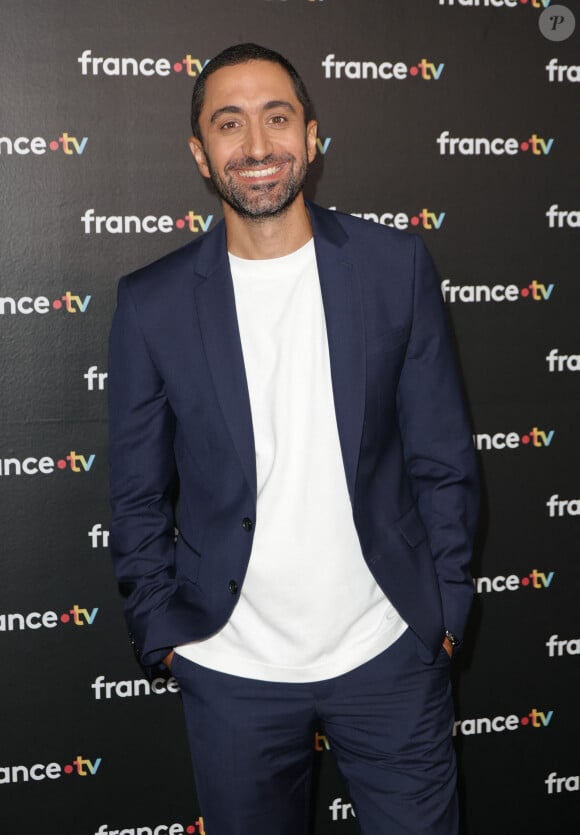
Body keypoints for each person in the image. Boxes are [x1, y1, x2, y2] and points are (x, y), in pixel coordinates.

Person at [108, 42, 479, 835]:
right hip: (231, 664)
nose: (257, 146)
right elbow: (137, 494)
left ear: (311, 136)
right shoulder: (152, 303)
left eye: (277, 119)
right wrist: (165, 633)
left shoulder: (395, 266)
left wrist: (443, 608)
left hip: (389, 651)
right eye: (229, 124)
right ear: (201, 155)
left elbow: (442, 458)